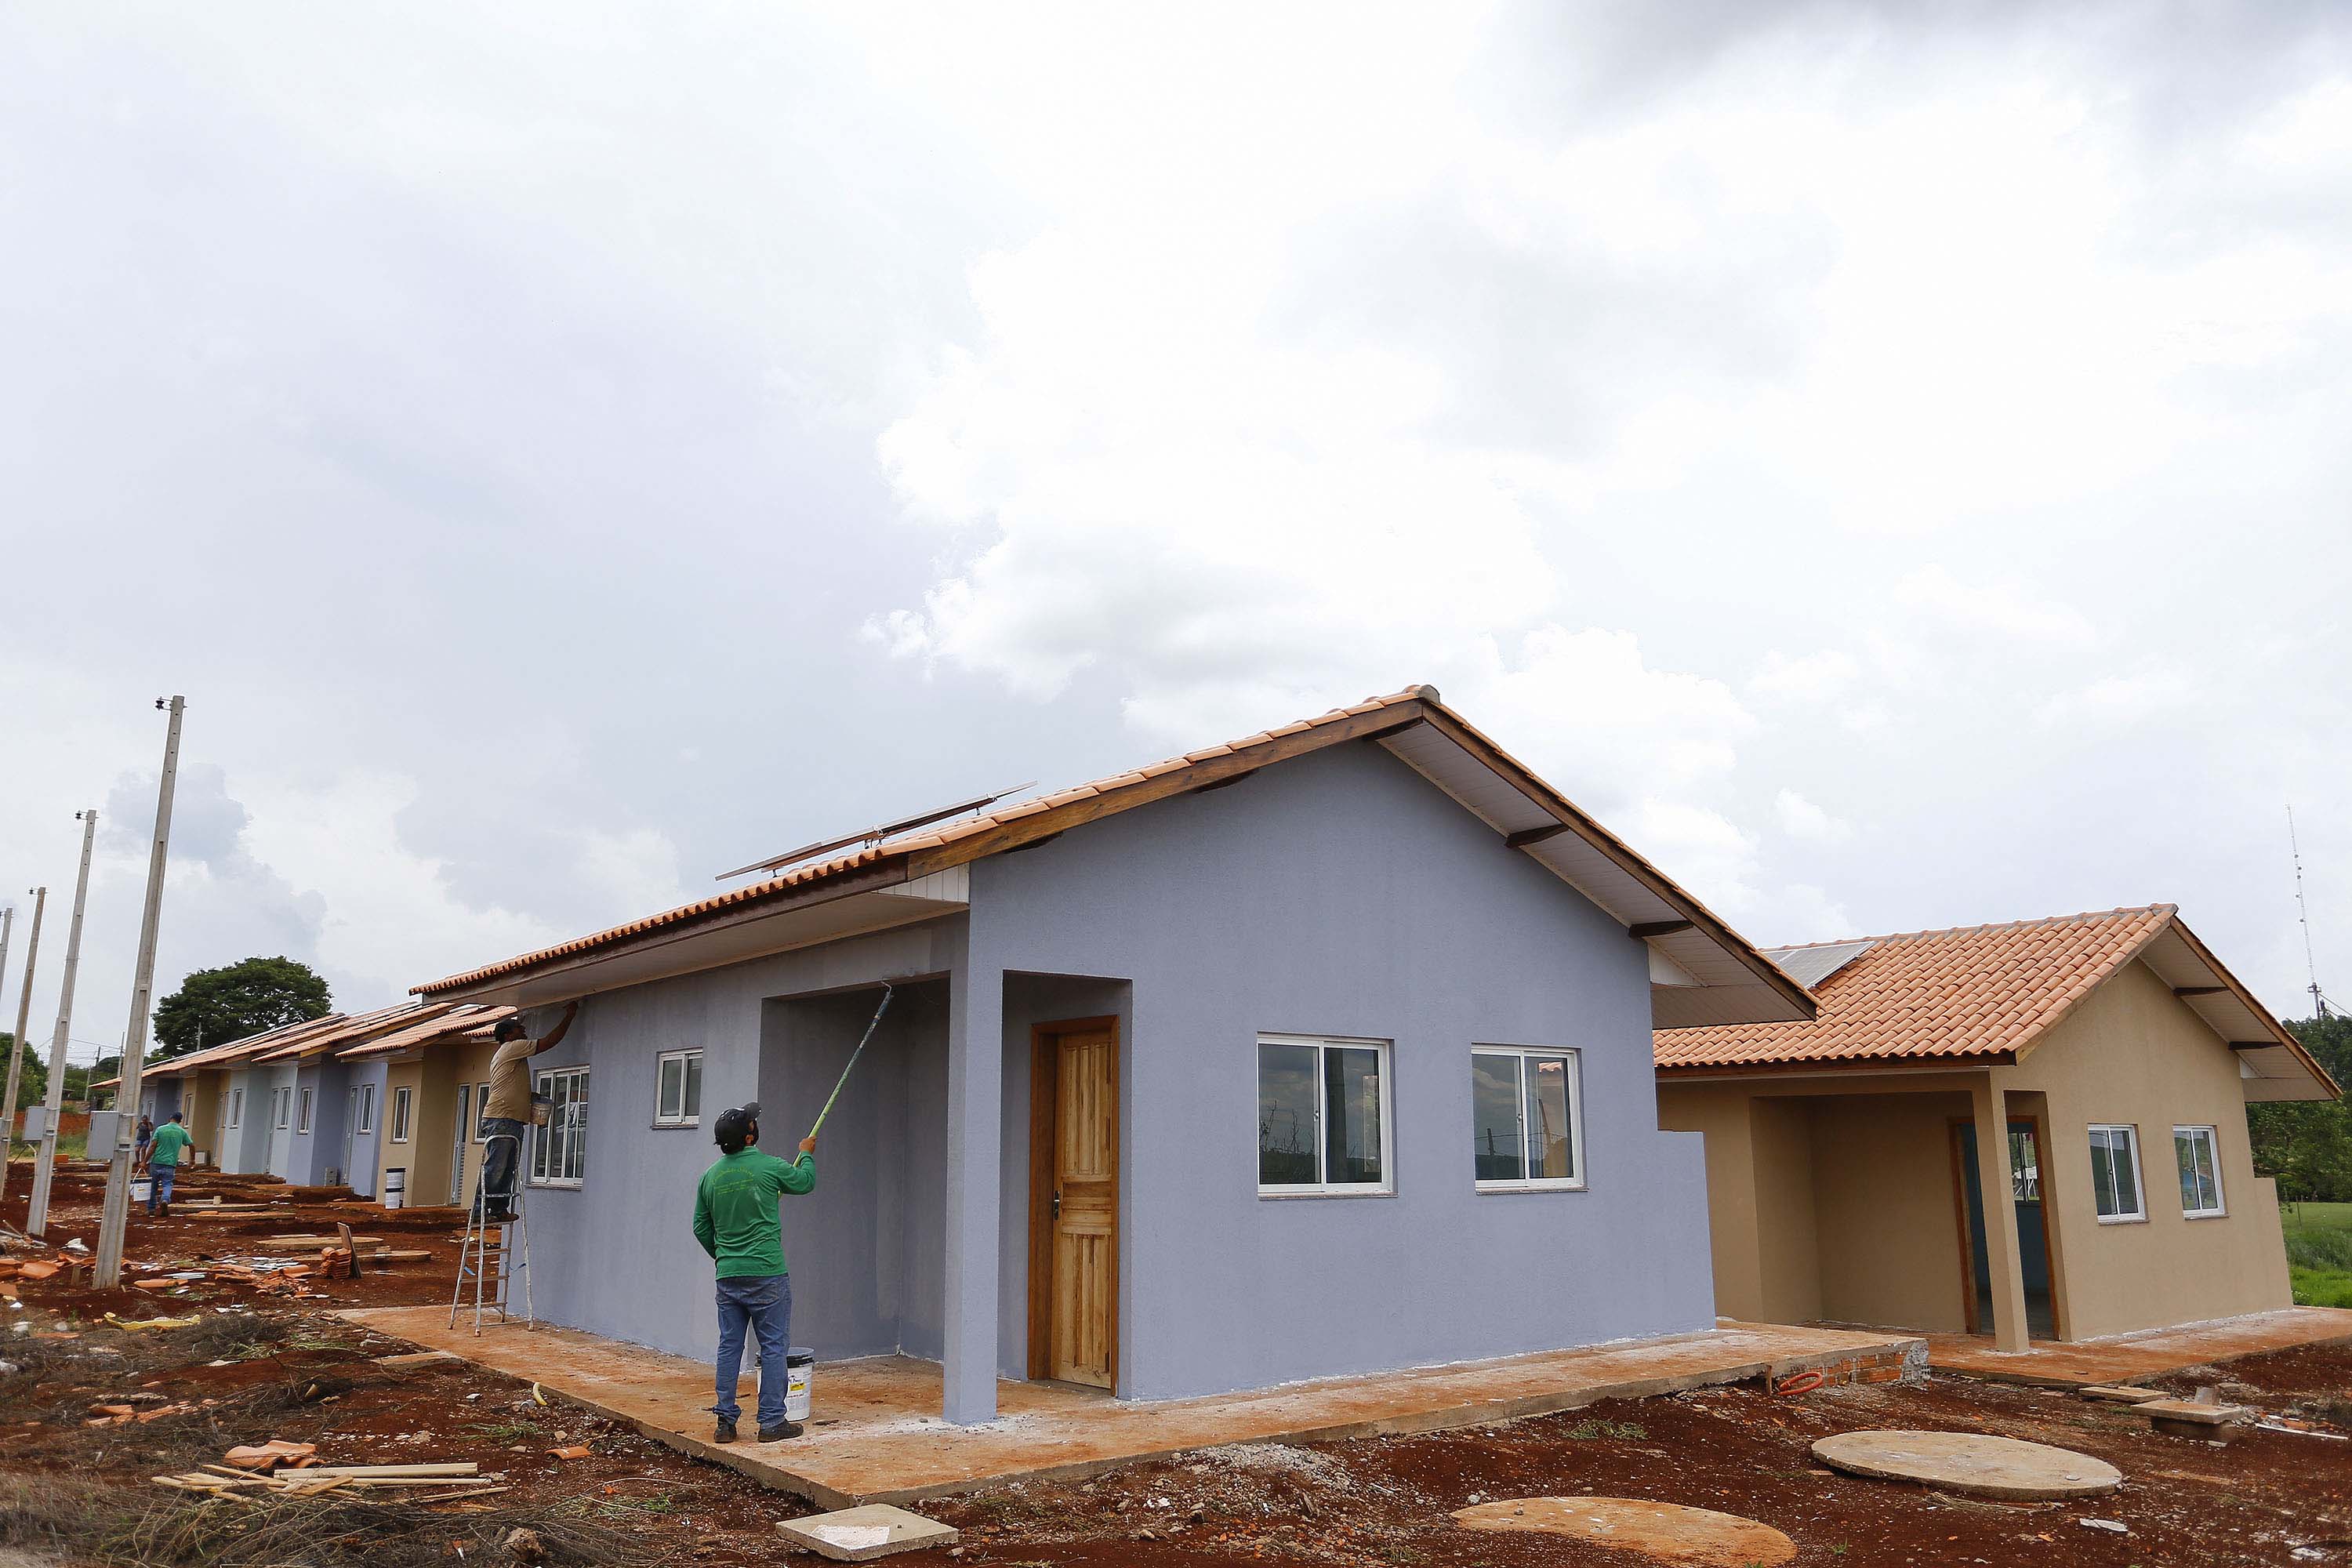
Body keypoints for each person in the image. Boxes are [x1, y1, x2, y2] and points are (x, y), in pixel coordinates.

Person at [693, 1102, 815, 1444]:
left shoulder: (710, 1176)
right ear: (750, 1136)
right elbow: (805, 1183)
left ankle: (725, 1423)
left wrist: (724, 1257)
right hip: (767, 1274)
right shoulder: (769, 1167)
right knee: (774, 1347)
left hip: (728, 1277)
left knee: (729, 1347)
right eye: (753, 1123)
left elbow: (700, 1226)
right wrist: (805, 1153)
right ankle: (772, 1422)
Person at [476, 1001, 578, 1223]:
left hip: (510, 1118)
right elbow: (549, 1042)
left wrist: (528, 1097)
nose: (524, 1031)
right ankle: (479, 1211)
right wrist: (570, 1015)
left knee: (507, 1167)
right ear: (508, 1036)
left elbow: (509, 1085)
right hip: (502, 1117)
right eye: (519, 1029)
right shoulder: (511, 1048)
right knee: (497, 1166)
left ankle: (498, 1209)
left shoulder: (510, 1055)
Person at [145, 1112, 192, 1218]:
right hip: (170, 1163)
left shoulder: (160, 1129)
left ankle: (151, 1209)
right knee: (167, 1184)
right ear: (180, 1121)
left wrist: (145, 1161)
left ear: (170, 1118)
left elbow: (153, 1146)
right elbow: (191, 1145)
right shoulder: (182, 1132)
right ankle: (165, 1199)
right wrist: (192, 1160)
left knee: (153, 1186)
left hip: (156, 1162)